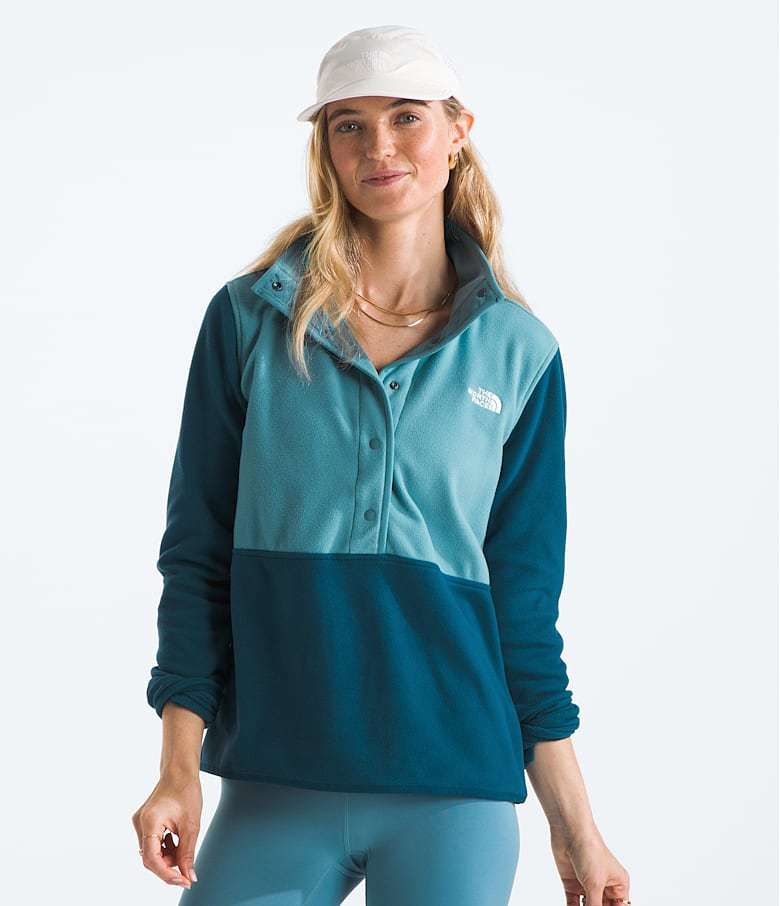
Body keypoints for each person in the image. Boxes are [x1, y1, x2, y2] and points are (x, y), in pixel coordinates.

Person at [131, 24, 631, 906]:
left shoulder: (520, 353)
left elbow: (522, 610)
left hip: (455, 790)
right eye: (348, 125)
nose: (379, 147)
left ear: (457, 130)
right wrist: (177, 769)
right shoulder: (250, 321)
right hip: (274, 781)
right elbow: (198, 560)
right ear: (325, 147)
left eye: (406, 117)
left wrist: (577, 829)